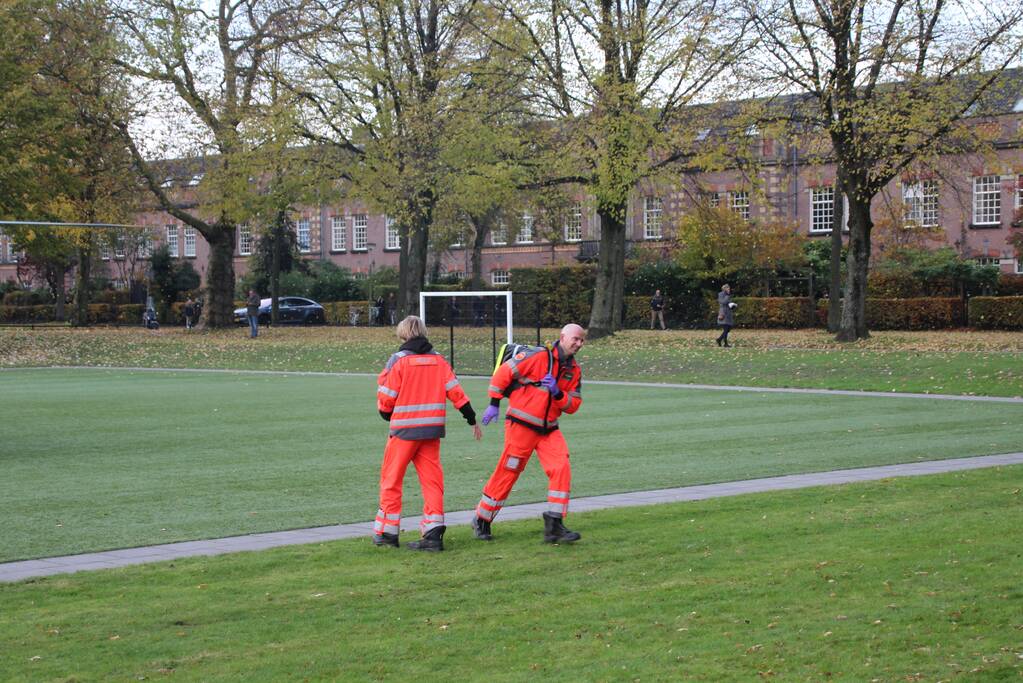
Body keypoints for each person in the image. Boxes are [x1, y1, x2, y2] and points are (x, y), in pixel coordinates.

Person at [374, 315, 482, 551]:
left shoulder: (398, 361)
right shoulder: (439, 361)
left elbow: (386, 397)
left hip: (403, 431)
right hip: (431, 432)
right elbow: (456, 392)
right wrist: (471, 418)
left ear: (403, 333)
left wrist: (385, 413)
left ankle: (387, 533)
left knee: (392, 480)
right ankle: (433, 534)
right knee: (432, 481)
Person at [472, 323, 586, 544]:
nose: (579, 344)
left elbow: (573, 405)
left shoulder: (574, 371)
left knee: (561, 467)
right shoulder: (537, 356)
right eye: (576, 339)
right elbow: (503, 374)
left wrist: (558, 393)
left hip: (548, 429)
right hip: (521, 426)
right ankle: (482, 519)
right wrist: (494, 403)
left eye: (582, 340)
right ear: (562, 337)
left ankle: (554, 525)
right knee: (508, 472)